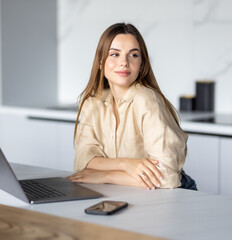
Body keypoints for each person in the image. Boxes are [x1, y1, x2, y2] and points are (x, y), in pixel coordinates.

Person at [67, 23, 197, 190]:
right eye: (114, 54)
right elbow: (82, 163)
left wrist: (105, 175)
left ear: (141, 64)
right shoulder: (93, 103)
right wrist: (127, 164)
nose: (124, 62)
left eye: (133, 55)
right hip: (126, 190)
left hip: (172, 192)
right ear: (100, 62)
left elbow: (166, 176)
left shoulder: (146, 99)